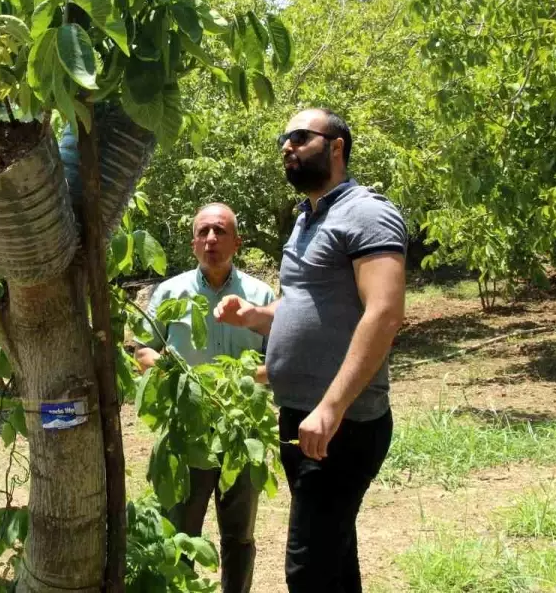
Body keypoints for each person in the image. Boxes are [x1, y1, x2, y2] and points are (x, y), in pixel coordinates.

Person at [215, 109, 407, 593]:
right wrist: (252, 316)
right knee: (335, 561)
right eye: (285, 139)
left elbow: (384, 313)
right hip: (301, 415)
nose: (287, 147)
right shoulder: (308, 218)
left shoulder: (366, 211)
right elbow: (302, 306)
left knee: (308, 569)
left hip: (342, 424)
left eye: (300, 138)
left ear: (336, 147)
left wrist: (331, 407)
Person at [136, 202, 275, 593]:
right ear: (193, 242)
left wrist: (241, 379)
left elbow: (277, 362)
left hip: (241, 433)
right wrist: (170, 371)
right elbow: (142, 351)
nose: (211, 239)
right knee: (180, 533)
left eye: (220, 231)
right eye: (203, 232)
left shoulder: (261, 295)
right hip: (186, 432)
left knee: (239, 537)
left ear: (237, 242)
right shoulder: (169, 292)